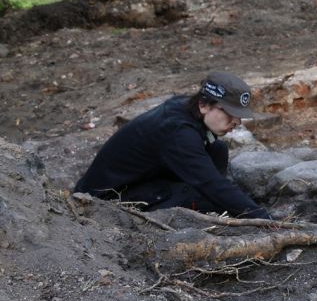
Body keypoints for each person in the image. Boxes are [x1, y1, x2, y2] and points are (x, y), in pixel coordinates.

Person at [75, 72, 270, 220]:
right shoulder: (177, 132)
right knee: (199, 195)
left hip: (142, 178)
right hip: (106, 200)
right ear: (204, 105)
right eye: (229, 113)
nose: (237, 121)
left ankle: (225, 205)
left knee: (218, 149)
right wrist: (265, 219)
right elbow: (210, 183)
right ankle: (220, 208)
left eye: (239, 115)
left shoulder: (185, 107)